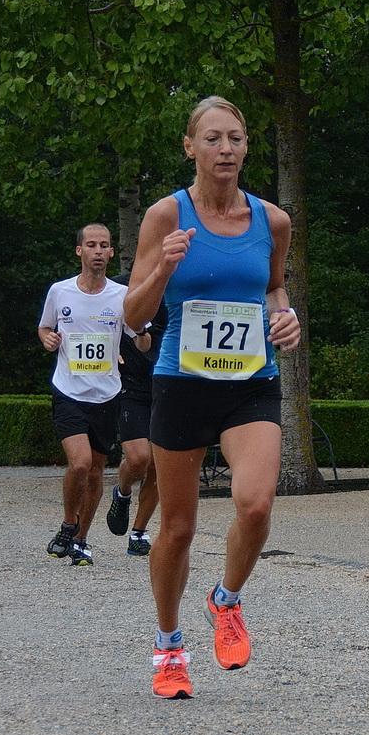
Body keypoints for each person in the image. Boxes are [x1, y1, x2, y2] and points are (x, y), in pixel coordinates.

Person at [124, 96, 301, 700]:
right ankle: (169, 648)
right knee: (177, 527)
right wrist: (162, 270)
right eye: (214, 139)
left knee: (255, 504)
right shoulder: (164, 216)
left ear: (247, 147)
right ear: (190, 147)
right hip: (181, 382)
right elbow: (133, 314)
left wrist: (286, 317)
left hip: (251, 379)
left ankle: (226, 601)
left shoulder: (271, 221)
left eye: (237, 139)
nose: (226, 150)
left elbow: (274, 286)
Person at [38, 223, 129, 567]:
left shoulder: (121, 295)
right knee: (80, 463)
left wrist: (143, 341)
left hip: (107, 394)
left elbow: (138, 331)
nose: (98, 251)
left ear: (110, 252)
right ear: (80, 251)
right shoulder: (60, 291)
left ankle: (81, 541)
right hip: (69, 390)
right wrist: (47, 338)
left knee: (95, 473)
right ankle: (68, 522)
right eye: (91, 244)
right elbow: (45, 326)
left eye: (104, 245)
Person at [104, 271, 167, 556]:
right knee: (140, 458)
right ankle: (123, 491)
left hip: (167, 386)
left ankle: (139, 532)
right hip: (130, 387)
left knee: (159, 466)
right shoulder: (117, 286)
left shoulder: (175, 289)